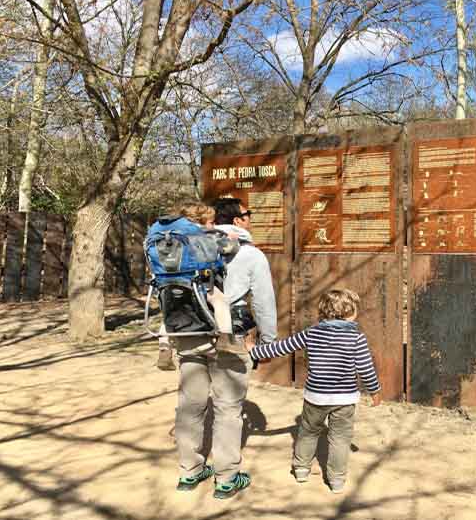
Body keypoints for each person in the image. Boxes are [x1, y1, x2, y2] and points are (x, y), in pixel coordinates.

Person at [172, 197, 277, 500]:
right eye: (247, 214)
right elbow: (263, 302)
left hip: (189, 332)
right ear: (236, 221)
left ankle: (189, 472)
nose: (250, 218)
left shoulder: (182, 246)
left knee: (190, 405)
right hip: (227, 336)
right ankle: (227, 478)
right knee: (228, 408)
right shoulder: (250, 255)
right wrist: (267, 341)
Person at [245, 288, 382, 494]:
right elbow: (366, 367)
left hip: (315, 396)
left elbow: (281, 347)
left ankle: (301, 469)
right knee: (340, 438)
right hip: (344, 399)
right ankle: (336, 480)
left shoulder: (312, 332)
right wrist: (375, 391)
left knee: (308, 432)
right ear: (351, 313)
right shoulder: (357, 338)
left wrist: (254, 350)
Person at [154, 202, 218, 371]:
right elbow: (210, 258)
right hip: (194, 284)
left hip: (166, 285)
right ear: (201, 220)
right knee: (221, 301)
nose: (214, 225)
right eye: (211, 222)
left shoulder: (167, 234)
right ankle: (227, 339)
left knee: (170, 312)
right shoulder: (194, 234)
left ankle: (164, 345)